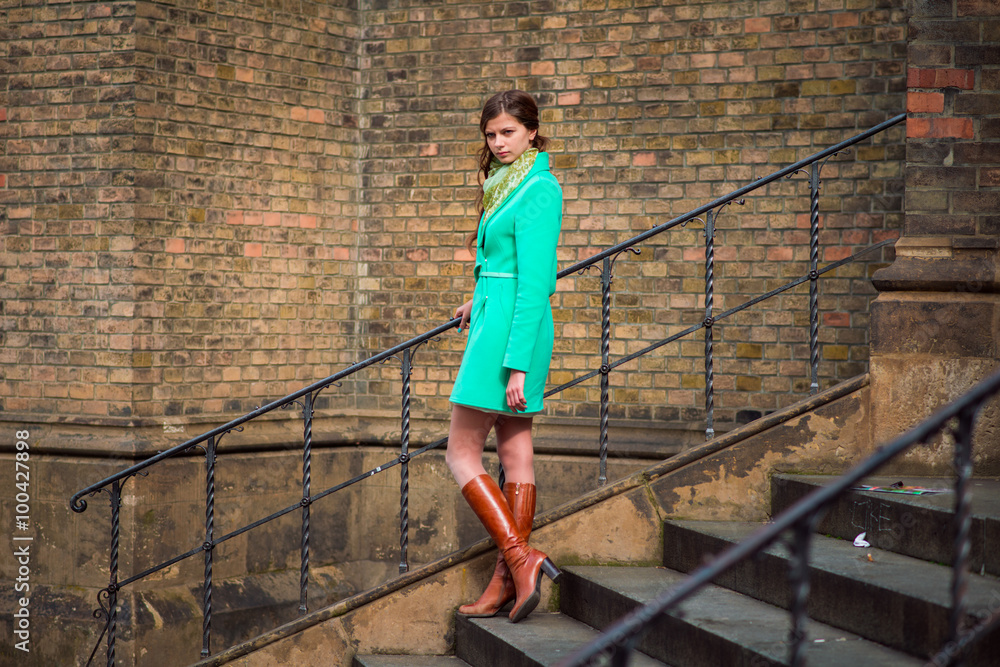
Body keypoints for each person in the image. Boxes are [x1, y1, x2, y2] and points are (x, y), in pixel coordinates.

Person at [446, 90, 563, 623]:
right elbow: (504, 263)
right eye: (491, 135)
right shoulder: (504, 184)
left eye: (508, 133)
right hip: (498, 317)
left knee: (460, 452)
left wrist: (516, 362)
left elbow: (537, 282)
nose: (498, 144)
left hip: (514, 333)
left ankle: (521, 558)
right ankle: (506, 584)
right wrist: (481, 294)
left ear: (532, 132)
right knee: (515, 452)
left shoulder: (540, 189)